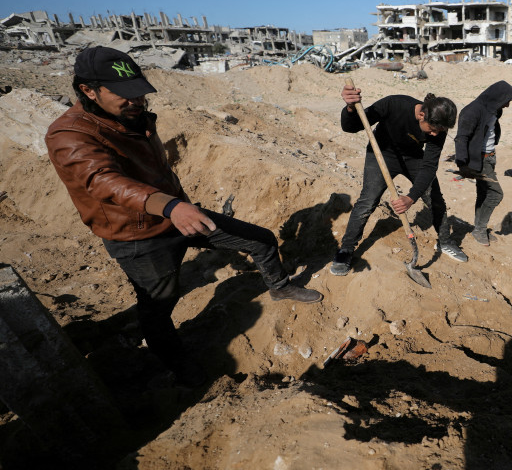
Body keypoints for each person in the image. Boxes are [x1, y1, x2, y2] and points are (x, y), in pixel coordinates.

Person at [45, 46, 322, 384]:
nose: (136, 101)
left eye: (139, 92)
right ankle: (175, 362)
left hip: (176, 214)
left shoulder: (133, 117)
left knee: (261, 239)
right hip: (137, 234)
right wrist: (171, 206)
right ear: (88, 90)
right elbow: (102, 180)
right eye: (124, 95)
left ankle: (279, 286)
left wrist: (177, 206)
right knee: (159, 305)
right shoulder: (69, 134)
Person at [329, 84, 461, 275]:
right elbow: (351, 127)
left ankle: (445, 242)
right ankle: (346, 249)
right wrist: (350, 108)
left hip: (413, 157)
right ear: (422, 115)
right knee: (367, 201)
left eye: (439, 131)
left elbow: (429, 166)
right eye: (432, 130)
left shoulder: (438, 126)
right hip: (381, 154)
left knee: (435, 198)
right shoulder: (394, 104)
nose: (435, 135)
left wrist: (411, 197)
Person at [453, 80, 512, 246]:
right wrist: (462, 164)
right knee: (495, 194)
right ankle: (479, 229)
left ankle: (479, 228)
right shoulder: (472, 111)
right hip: (479, 160)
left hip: (489, 157)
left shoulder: (493, 110)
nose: (507, 106)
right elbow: (461, 138)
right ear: (498, 98)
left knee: (484, 193)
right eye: (507, 101)